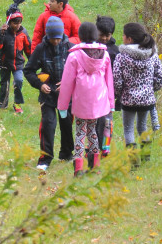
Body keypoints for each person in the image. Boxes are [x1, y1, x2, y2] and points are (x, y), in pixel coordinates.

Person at [58, 22, 115, 177]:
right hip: (98, 102)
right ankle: (95, 167)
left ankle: (78, 168)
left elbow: (67, 83)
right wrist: (111, 103)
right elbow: (109, 80)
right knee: (93, 133)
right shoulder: (105, 54)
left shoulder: (74, 56)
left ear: (80, 36)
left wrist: (62, 106)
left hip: (81, 102)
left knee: (80, 133)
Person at [24, 15, 74, 171]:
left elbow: (79, 72)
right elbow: (29, 71)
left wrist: (67, 84)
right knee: (48, 124)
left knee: (66, 124)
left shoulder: (71, 48)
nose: (56, 41)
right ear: (48, 36)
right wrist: (40, 85)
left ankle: (66, 154)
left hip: (66, 95)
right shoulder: (41, 49)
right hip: (48, 94)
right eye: (53, 39)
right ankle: (45, 159)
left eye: (58, 38)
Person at [113, 22, 162, 148]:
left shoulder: (121, 57)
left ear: (129, 39)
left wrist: (119, 93)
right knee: (142, 127)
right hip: (147, 99)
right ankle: (145, 157)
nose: (122, 38)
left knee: (128, 129)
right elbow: (160, 77)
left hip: (128, 99)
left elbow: (117, 79)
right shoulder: (152, 55)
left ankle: (133, 159)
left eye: (124, 36)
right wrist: (151, 89)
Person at [0, 11, 31, 113]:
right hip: (4, 63)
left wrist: (32, 61)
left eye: (19, 23)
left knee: (19, 81)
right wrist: (1, 34)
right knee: (4, 84)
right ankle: (2, 105)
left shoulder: (23, 33)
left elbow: (28, 49)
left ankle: (17, 104)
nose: (18, 25)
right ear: (9, 23)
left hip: (18, 64)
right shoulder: (2, 32)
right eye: (15, 23)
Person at [95, 15, 120, 157]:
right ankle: (94, 146)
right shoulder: (90, 47)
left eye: (107, 35)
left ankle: (105, 146)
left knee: (106, 120)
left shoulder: (115, 51)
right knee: (93, 119)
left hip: (109, 92)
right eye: (101, 35)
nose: (104, 38)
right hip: (93, 91)